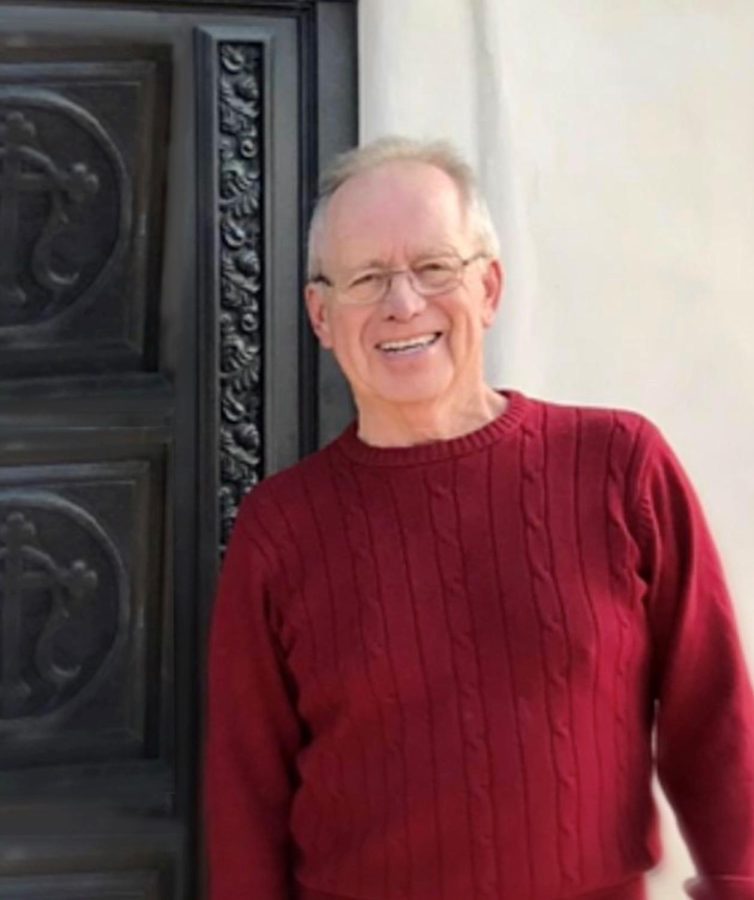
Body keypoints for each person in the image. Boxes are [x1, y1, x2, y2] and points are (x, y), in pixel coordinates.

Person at [205, 136, 754, 900]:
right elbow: (244, 794)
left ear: (489, 288)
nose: (403, 302)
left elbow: (713, 709)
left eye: (434, 267)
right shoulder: (280, 530)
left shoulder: (620, 464)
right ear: (321, 315)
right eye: (367, 278)